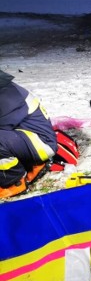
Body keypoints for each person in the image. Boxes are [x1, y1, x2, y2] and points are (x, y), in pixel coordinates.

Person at [0, 69, 57, 198]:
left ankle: (14, 181)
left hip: (41, 143)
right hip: (25, 138)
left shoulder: (6, 96)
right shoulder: (5, 88)